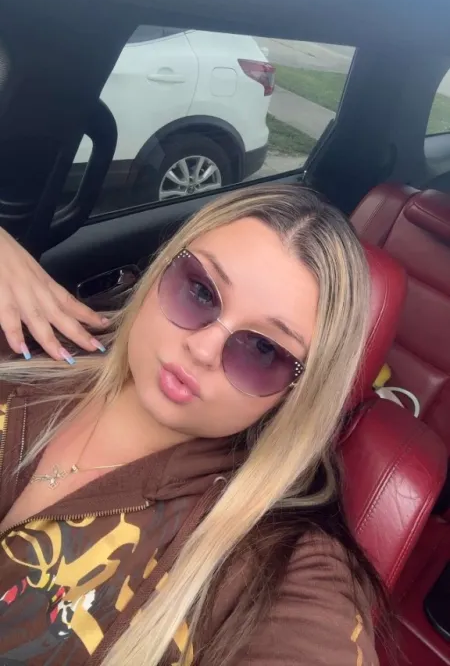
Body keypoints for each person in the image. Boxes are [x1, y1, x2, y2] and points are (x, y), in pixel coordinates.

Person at [0, 184, 383, 666]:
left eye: (263, 350)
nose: (202, 350)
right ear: (163, 267)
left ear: (298, 392)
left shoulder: (278, 564)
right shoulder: (40, 333)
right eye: (200, 291)